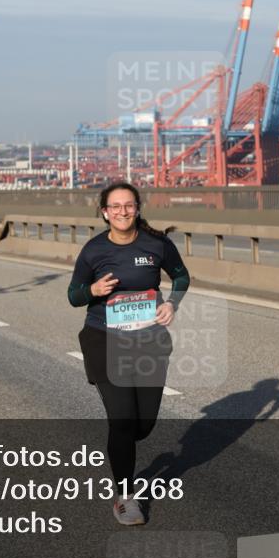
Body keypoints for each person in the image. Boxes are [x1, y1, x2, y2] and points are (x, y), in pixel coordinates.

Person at [67, 182, 190, 526]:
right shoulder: (93, 251)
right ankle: (125, 496)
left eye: (128, 205)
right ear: (104, 212)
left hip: (149, 341)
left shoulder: (157, 244)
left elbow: (181, 277)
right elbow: (73, 296)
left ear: (137, 208)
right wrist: (92, 289)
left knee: (143, 424)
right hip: (105, 341)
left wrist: (171, 305)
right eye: (115, 206)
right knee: (122, 420)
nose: (122, 211)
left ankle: (123, 445)